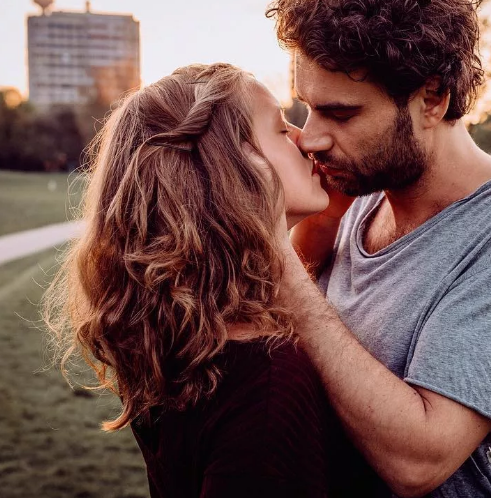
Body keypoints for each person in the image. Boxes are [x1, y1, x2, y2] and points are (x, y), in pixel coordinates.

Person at [267, 1, 491, 496]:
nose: (311, 138)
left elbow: (419, 462)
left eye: (341, 113)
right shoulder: (358, 192)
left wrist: (278, 260)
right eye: (308, 108)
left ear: (433, 98)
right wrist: (320, 222)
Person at [43, 63, 380, 497]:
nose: (306, 139)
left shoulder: (183, 342)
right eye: (281, 129)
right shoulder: (268, 382)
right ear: (232, 170)